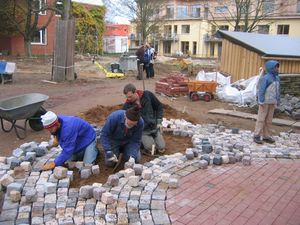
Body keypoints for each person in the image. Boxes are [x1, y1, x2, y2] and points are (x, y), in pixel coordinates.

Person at [122, 83, 166, 154]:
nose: (128, 99)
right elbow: (125, 121)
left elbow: (159, 107)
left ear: (135, 92)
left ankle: (153, 140)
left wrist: (159, 122)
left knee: (161, 147)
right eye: (127, 97)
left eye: (130, 96)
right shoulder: (127, 106)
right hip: (143, 131)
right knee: (150, 148)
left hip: (154, 127)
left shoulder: (147, 95)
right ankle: (142, 143)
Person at [253, 60, 280, 144]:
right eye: (275, 67)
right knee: (261, 119)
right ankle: (256, 135)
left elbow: (278, 90)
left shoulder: (277, 78)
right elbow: (261, 90)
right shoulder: (265, 78)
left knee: (269, 120)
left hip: (272, 102)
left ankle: (266, 136)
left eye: (277, 67)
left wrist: (278, 100)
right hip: (264, 102)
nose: (277, 69)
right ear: (271, 68)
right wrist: (260, 101)